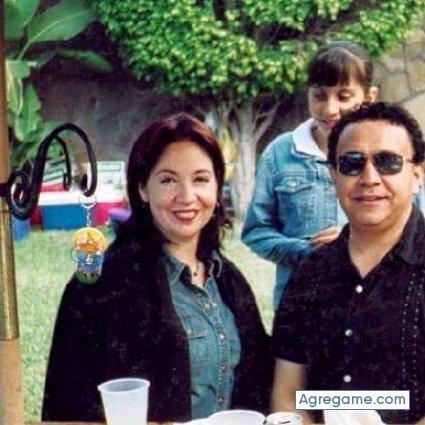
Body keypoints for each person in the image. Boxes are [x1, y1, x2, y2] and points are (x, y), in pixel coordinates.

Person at [42, 113, 271, 422]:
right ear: (142, 189)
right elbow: (68, 405)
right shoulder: (102, 283)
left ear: (217, 188)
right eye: (168, 180)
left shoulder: (228, 279)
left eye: (201, 179)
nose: (187, 197)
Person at [271, 102, 425, 425]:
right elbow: (288, 394)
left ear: (417, 173)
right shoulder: (308, 274)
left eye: (388, 162)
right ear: (333, 175)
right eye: (352, 164)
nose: (369, 178)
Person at [242, 41, 378, 310]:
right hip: (299, 309)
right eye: (319, 96)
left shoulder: (387, 155)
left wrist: (355, 242)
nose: (329, 109)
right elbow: (256, 231)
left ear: (368, 98)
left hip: (370, 310)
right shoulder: (281, 153)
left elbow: (411, 234)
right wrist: (304, 251)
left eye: (343, 97)